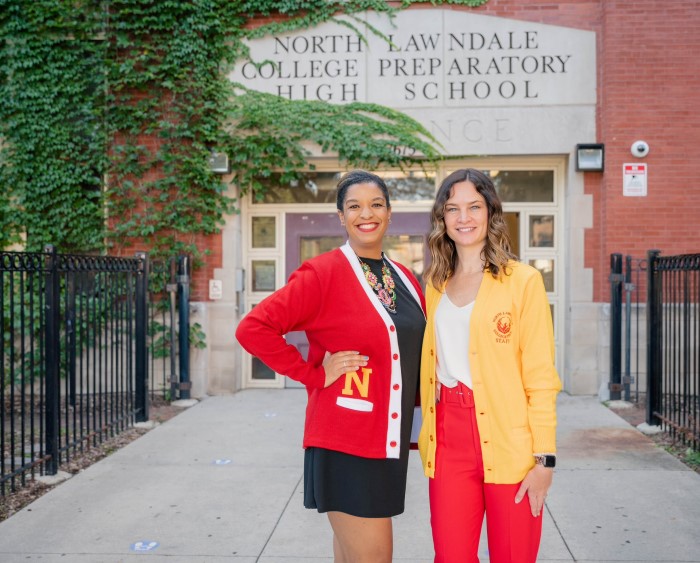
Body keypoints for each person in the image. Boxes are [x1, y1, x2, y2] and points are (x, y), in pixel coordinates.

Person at [235, 170, 426, 563]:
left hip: (387, 444)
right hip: (346, 445)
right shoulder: (323, 274)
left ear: (389, 213)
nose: (365, 214)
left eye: (375, 205)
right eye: (354, 206)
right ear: (341, 217)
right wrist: (316, 374)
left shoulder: (405, 277)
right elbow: (254, 328)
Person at [417, 168, 561, 563]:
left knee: (513, 555)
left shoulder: (523, 281)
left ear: (490, 212)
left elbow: (540, 377)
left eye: (473, 207)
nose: (463, 218)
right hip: (448, 438)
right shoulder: (434, 283)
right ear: (442, 219)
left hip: (510, 441)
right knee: (451, 556)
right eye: (453, 209)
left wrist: (544, 458)